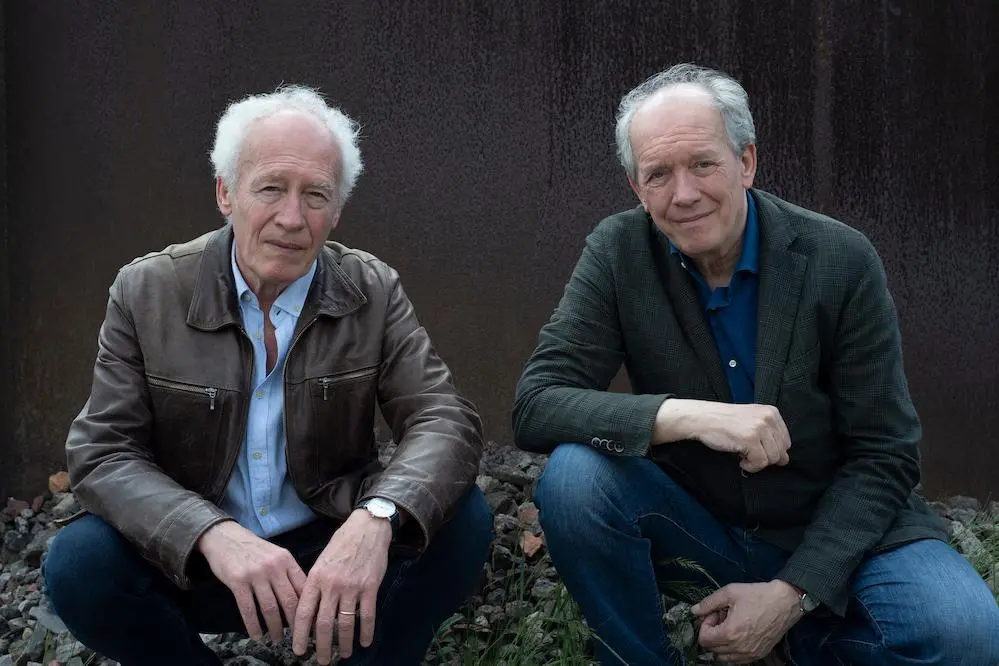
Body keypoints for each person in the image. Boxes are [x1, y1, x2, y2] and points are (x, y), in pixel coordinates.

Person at [512, 63, 999, 665]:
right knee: (575, 479)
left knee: (966, 632)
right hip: (706, 526)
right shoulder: (618, 251)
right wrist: (690, 416)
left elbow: (887, 452)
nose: (683, 193)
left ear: (746, 162)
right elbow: (535, 404)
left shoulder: (838, 258)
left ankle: (792, 636)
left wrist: (791, 596)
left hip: (844, 535)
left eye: (703, 164)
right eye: (657, 174)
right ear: (637, 188)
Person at [42, 85, 493, 666]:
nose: (291, 218)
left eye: (315, 196)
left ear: (337, 211)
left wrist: (375, 518)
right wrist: (206, 531)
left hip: (327, 551)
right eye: (271, 188)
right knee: (79, 563)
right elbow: (102, 453)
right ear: (226, 193)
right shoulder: (146, 290)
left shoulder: (371, 288)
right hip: (199, 561)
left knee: (462, 521)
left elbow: (444, 417)